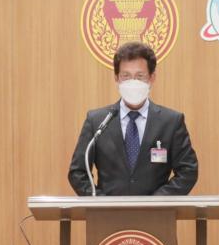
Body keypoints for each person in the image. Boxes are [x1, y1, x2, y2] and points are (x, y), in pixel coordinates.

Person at [68, 42, 199, 196]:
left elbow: (188, 171)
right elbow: (78, 173)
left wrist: (158, 202)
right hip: (107, 210)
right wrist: (102, 202)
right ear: (116, 78)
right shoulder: (97, 121)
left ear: (152, 78)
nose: (133, 82)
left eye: (140, 76)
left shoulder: (171, 122)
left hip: (157, 210)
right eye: (126, 76)